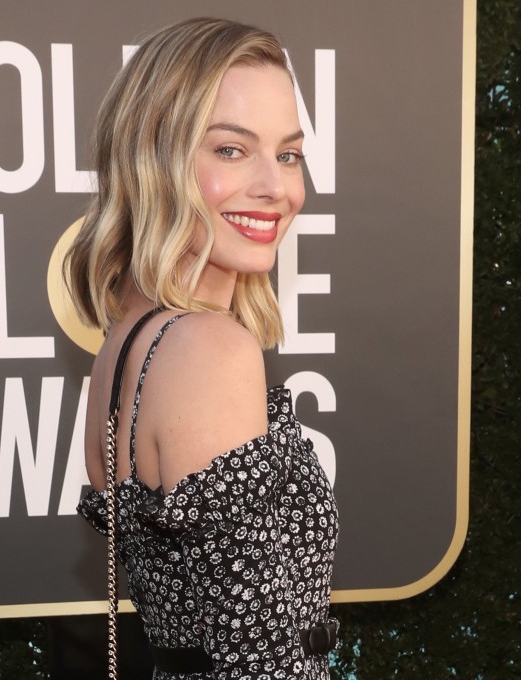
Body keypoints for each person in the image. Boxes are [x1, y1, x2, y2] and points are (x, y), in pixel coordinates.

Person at [66, 17, 339, 680]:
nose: (277, 187)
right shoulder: (210, 351)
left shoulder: (126, 345)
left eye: (289, 154)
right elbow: (257, 660)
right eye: (231, 150)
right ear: (154, 163)